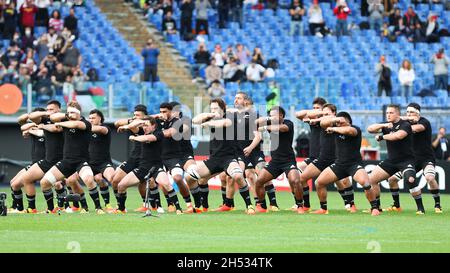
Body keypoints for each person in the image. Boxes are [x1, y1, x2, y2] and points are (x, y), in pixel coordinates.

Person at [186, 98, 255, 214]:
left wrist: (208, 123)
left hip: (229, 158)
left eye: (216, 108)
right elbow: (195, 120)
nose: (213, 111)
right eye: (211, 108)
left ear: (223, 108)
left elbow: (224, 123)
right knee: (189, 177)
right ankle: (199, 206)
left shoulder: (230, 116)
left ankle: (249, 206)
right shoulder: (211, 116)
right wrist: (209, 114)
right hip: (214, 159)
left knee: (238, 176)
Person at [314, 111, 380, 215]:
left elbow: (350, 131)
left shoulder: (355, 129)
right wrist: (334, 120)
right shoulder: (336, 127)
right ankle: (323, 208)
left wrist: (334, 128)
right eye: (337, 123)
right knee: (319, 183)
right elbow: (322, 123)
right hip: (339, 164)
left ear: (348, 121)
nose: (338, 124)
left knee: (366, 183)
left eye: (341, 122)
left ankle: (374, 208)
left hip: (354, 164)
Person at [114, 116, 183, 214]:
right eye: (143, 126)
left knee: (167, 184)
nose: (144, 127)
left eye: (147, 125)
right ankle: (121, 209)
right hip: (143, 167)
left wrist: (134, 137)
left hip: (156, 167)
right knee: (121, 185)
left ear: (153, 126)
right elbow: (134, 127)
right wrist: (128, 126)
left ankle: (178, 208)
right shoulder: (142, 132)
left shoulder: (158, 133)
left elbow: (147, 138)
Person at [367, 104, 426, 214]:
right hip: (391, 161)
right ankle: (377, 207)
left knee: (410, 180)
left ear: (398, 114)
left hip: (406, 160)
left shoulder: (405, 125)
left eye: (391, 113)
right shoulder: (386, 125)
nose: (388, 115)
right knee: (371, 180)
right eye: (387, 113)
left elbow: (398, 136)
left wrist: (382, 136)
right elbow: (369, 129)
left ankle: (420, 208)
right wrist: (382, 125)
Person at [299, 103, 357, 213]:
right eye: (323, 113)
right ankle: (308, 205)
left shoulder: (340, 124)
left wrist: (329, 118)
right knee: (303, 178)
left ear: (334, 113)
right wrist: (322, 115)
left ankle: (351, 204)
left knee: (344, 181)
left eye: (327, 113)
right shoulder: (322, 123)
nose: (324, 115)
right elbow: (303, 115)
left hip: (337, 158)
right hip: (323, 158)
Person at [386, 103, 442, 213]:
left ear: (418, 113)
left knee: (430, 178)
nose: (409, 114)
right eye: (407, 112)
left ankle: (437, 205)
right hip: (411, 160)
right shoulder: (405, 123)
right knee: (392, 179)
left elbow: (417, 128)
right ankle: (396, 206)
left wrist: (401, 125)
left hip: (426, 158)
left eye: (411, 112)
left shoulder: (424, 122)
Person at [112, 105, 163, 212]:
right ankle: (120, 205)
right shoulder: (135, 126)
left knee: (147, 183)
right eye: (134, 115)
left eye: (137, 115)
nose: (135, 117)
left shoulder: (150, 127)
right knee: (116, 180)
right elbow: (117, 123)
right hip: (134, 158)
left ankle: (152, 205)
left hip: (145, 160)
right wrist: (132, 121)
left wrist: (141, 121)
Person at [253, 106, 304, 213]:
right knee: (258, 181)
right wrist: (268, 119)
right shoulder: (270, 122)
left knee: (296, 180)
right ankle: (262, 206)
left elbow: (282, 128)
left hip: (288, 160)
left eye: (274, 115)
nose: (272, 117)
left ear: (281, 115)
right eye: (270, 115)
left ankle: (299, 206)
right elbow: (256, 122)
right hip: (275, 162)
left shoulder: (288, 123)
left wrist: (266, 128)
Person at [154, 102, 196, 213]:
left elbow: (181, 131)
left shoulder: (184, 120)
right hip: (165, 153)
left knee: (191, 175)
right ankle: (170, 203)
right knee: (163, 180)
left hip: (184, 152)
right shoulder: (162, 121)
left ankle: (196, 204)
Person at [8, 107, 46, 213]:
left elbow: (40, 131)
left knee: (26, 181)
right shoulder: (32, 124)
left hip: (45, 163)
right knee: (14, 184)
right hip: (35, 163)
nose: (33, 118)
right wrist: (30, 121)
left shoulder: (47, 126)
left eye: (36, 116)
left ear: (41, 117)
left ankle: (31, 208)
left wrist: (30, 129)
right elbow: (21, 121)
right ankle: (18, 207)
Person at [87, 109, 115, 212]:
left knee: (113, 178)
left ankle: (118, 206)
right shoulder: (87, 131)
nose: (91, 120)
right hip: (90, 163)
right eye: (89, 118)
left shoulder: (105, 128)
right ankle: (84, 206)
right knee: (97, 179)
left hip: (104, 162)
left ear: (100, 118)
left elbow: (100, 130)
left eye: (93, 118)